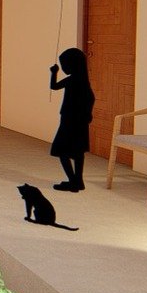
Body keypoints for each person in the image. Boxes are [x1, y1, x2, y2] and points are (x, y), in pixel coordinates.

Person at [48, 48, 95, 192]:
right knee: (78, 151)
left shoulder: (72, 80)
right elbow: (91, 98)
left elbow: (54, 86)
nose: (63, 68)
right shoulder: (83, 80)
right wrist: (88, 113)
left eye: (64, 65)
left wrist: (54, 73)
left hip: (69, 119)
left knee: (61, 150)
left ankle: (73, 181)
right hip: (80, 120)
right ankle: (78, 181)